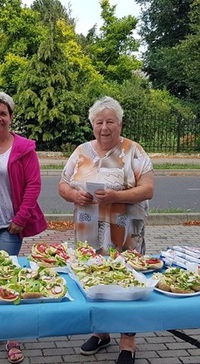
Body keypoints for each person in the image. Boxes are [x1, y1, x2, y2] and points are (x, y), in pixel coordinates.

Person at [58, 96, 154, 364]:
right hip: (87, 231)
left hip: (124, 232)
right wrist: (74, 196)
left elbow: (148, 189)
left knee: (127, 280)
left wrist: (116, 196)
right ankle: (101, 332)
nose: (104, 127)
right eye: (99, 122)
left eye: (110, 121)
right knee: (93, 279)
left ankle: (128, 341)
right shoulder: (81, 152)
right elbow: (63, 185)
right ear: (92, 125)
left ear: (120, 124)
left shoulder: (134, 151)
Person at [0, 91, 47, 364]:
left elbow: (33, 186)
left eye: (3, 113)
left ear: (11, 117)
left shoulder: (24, 148)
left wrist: (21, 219)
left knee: (8, 276)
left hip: (9, 224)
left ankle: (12, 336)